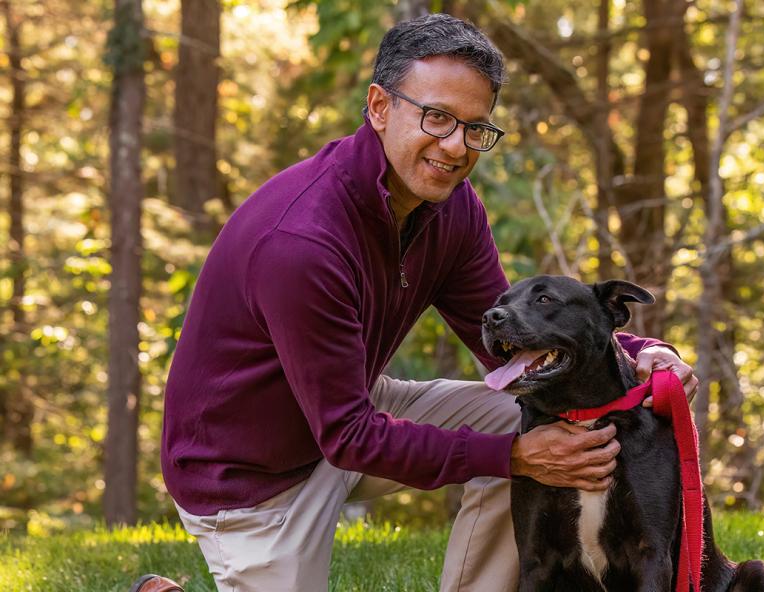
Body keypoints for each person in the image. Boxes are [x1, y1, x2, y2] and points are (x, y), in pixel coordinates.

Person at [145, 13, 697, 592]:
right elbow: (350, 437)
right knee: (524, 447)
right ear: (380, 107)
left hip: (348, 403)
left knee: (533, 416)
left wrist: (642, 353)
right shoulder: (302, 242)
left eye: (475, 127)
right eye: (436, 118)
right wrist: (515, 457)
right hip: (249, 473)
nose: (456, 147)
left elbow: (513, 342)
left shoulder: (452, 209)